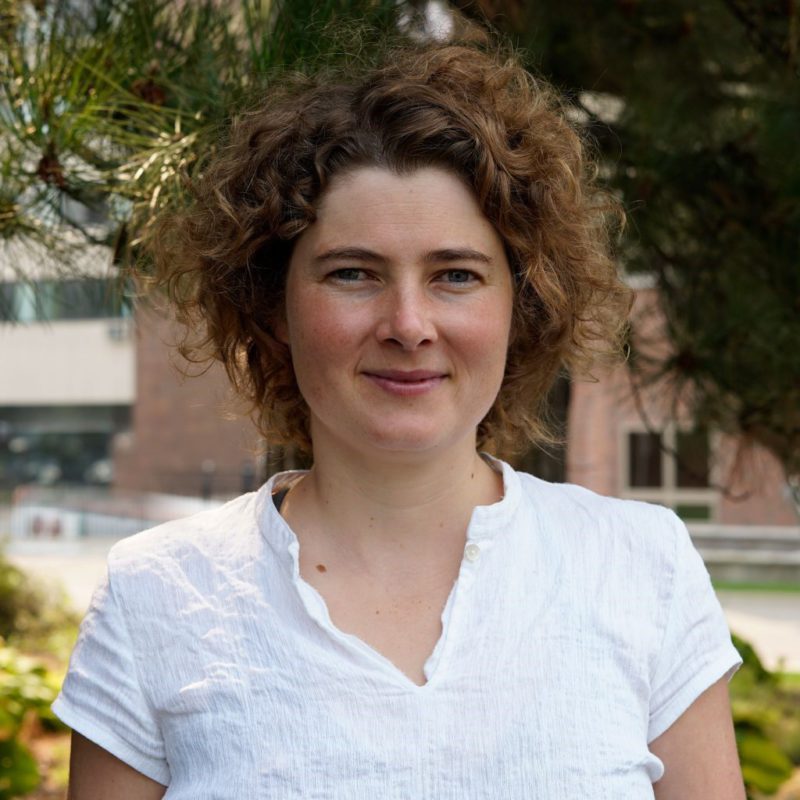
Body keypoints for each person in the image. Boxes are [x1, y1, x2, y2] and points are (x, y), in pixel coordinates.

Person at [54, 31, 745, 800]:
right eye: (354, 273)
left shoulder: (643, 568)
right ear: (273, 305)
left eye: (457, 275)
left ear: (522, 304)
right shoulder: (155, 595)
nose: (409, 324)